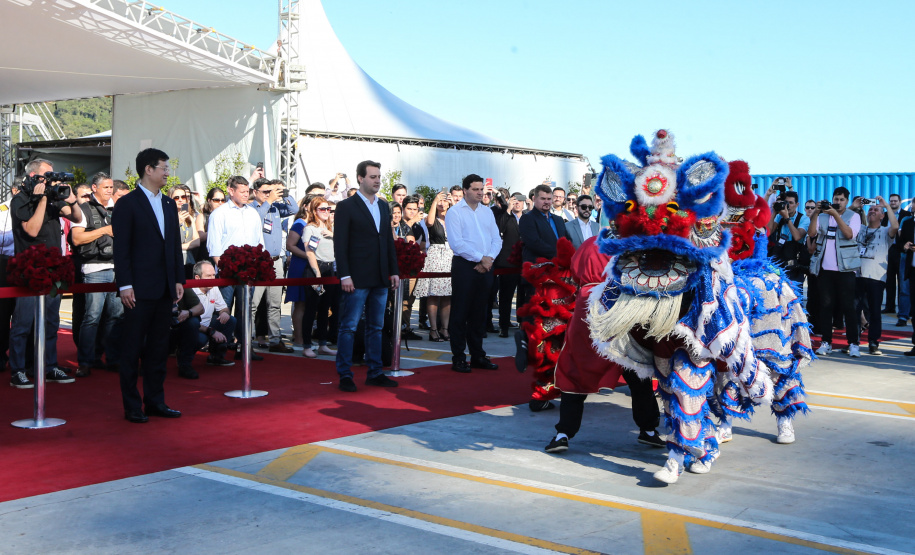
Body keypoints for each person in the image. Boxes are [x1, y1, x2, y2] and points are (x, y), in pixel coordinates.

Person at [113, 148, 185, 423]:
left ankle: (155, 401)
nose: (167, 173)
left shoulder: (168, 204)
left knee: (158, 349)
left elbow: (174, 247)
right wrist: (125, 285)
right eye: (164, 168)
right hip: (138, 289)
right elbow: (122, 249)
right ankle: (132, 405)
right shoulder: (128, 203)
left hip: (165, 288)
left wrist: (179, 279)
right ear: (148, 169)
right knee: (132, 349)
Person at [8, 159, 82, 389]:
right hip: (29, 270)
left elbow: (77, 218)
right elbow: (32, 229)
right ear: (32, 177)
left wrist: (73, 200)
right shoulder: (20, 200)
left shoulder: (52, 198)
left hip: (53, 270)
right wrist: (41, 200)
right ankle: (18, 370)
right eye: (46, 175)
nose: (51, 180)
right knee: (23, 324)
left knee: (51, 322)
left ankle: (48, 366)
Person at [333, 160, 400, 392]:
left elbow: (388, 241)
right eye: (372, 176)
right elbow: (340, 245)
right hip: (356, 277)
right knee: (349, 326)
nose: (377, 180)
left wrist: (393, 271)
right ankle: (345, 374)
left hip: (381, 276)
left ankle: (375, 372)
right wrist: (345, 275)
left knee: (376, 326)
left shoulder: (383, 206)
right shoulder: (346, 206)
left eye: (379, 176)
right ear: (360, 178)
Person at [445, 174, 502, 373]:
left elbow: (497, 239)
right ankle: (459, 357)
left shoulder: (487, 212)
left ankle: (478, 356)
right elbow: (457, 243)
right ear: (465, 190)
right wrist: (481, 258)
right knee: (460, 314)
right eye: (476, 189)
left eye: (482, 189)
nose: (480, 193)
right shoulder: (455, 212)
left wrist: (488, 259)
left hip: (486, 266)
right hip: (464, 267)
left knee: (479, 314)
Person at [206, 176, 265, 361]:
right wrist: (224, 269)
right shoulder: (220, 214)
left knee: (245, 310)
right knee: (223, 311)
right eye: (242, 191)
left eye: (248, 191)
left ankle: (244, 348)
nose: (246, 195)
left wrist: (258, 265)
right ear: (231, 191)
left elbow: (259, 242)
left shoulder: (253, 213)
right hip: (226, 272)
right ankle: (217, 352)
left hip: (248, 273)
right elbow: (213, 246)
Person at [70, 172, 122, 377]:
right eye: (106, 187)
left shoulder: (117, 209)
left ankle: (112, 358)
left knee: (116, 317)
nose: (110, 190)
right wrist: (104, 230)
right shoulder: (83, 209)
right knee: (92, 316)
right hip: (94, 268)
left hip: (118, 268)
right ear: (94, 188)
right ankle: (85, 361)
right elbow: (77, 239)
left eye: (111, 187)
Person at [808, 187, 862, 357]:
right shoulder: (823, 216)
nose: (837, 203)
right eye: (835, 199)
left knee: (848, 307)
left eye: (841, 200)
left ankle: (853, 343)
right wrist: (816, 213)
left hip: (845, 269)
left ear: (847, 201)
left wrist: (836, 215)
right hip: (825, 270)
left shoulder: (854, 216)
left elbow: (849, 235)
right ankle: (826, 342)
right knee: (825, 306)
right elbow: (811, 233)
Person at [286, 196, 339, 358]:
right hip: (316, 269)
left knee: (325, 308)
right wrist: (316, 272)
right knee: (311, 308)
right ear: (314, 211)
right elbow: (310, 251)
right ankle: (307, 344)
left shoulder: (331, 228)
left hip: (330, 268)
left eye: (328, 209)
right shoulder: (310, 228)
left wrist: (332, 234)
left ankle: (323, 343)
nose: (326, 212)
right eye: (322, 209)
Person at [249, 177, 296, 353]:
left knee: (275, 303)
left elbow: (293, 208)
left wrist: (285, 193)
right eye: (265, 192)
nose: (270, 195)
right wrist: (268, 201)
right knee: (253, 304)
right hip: (259, 262)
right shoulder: (252, 208)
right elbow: (257, 219)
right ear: (255, 192)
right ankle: (246, 339)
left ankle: (275, 339)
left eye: (271, 191)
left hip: (276, 261)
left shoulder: (276, 208)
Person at [175, 260, 238, 377]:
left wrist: (224, 313)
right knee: (199, 335)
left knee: (230, 320)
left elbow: (224, 308)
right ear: (197, 278)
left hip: (207, 326)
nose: (213, 279)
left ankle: (216, 357)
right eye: (209, 276)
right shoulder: (189, 290)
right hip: (192, 328)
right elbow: (185, 320)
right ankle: (184, 360)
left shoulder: (213, 288)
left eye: (214, 275)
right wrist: (211, 331)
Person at [855, 197, 898, 355]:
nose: (872, 211)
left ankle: (873, 342)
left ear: (882, 216)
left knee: (874, 311)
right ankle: (854, 341)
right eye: (871, 209)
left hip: (877, 277)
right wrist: (855, 207)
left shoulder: (886, 231)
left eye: (876, 210)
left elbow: (896, 226)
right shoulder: (860, 229)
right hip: (858, 275)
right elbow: (845, 224)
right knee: (854, 310)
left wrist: (886, 205)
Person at [519, 184, 571, 310]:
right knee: (535, 310)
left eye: (549, 199)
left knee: (554, 310)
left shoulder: (558, 220)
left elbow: (567, 240)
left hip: (558, 272)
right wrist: (560, 255)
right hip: (538, 272)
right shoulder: (527, 218)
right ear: (534, 199)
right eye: (543, 199)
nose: (547, 202)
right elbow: (534, 243)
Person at [413, 190, 453, 342]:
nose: (443, 203)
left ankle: (445, 328)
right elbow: (429, 222)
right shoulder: (432, 219)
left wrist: (454, 203)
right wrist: (435, 200)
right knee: (434, 294)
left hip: (450, 256)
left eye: (445, 200)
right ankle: (433, 329)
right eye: (440, 201)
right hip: (436, 255)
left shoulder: (452, 217)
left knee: (447, 295)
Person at [494, 192, 524, 337]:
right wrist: (507, 210)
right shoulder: (505, 216)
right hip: (507, 263)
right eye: (515, 201)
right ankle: (503, 325)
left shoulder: (528, 218)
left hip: (524, 263)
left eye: (520, 201)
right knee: (505, 297)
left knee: (523, 296)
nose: (518, 203)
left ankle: (522, 322)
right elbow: (499, 228)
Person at [767, 191, 810, 284]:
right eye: (786, 203)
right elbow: (768, 232)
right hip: (779, 259)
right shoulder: (779, 216)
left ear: (797, 204)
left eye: (791, 203)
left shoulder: (804, 219)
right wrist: (774, 212)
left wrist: (787, 218)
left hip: (795, 263)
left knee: (795, 294)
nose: (788, 206)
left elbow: (797, 236)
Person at [885, 194, 911, 323]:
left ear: (900, 202)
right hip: (889, 249)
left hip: (902, 251)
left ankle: (905, 310)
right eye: (891, 201)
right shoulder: (885, 215)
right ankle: (890, 307)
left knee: (903, 282)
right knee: (889, 279)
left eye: (895, 201)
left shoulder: (907, 216)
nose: (893, 203)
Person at [168, 185, 200, 278]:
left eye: (183, 197)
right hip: (174, 261)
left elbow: (197, 241)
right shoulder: (167, 217)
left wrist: (178, 246)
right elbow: (167, 238)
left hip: (189, 260)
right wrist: (177, 223)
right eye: (176, 198)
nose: (180, 200)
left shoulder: (189, 217)